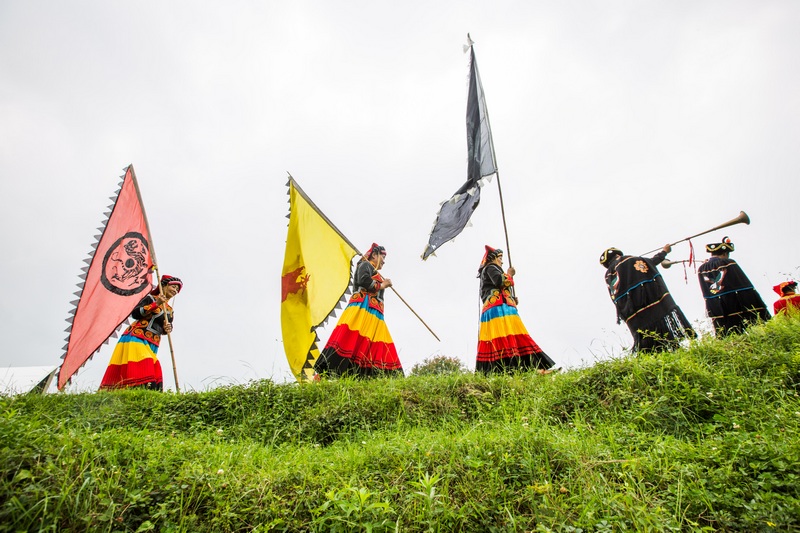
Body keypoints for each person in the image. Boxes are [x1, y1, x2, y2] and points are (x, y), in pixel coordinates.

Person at [314, 243, 404, 378]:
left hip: (374, 313)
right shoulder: (365, 264)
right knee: (352, 339)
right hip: (363, 309)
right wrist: (382, 285)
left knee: (374, 342)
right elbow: (364, 280)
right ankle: (327, 374)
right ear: (374, 255)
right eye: (383, 257)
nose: (384, 261)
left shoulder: (374, 271)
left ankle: (373, 376)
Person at [476, 246, 556, 374]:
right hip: (498, 310)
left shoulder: (492, 269)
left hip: (502, 308)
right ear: (493, 258)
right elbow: (499, 281)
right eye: (500, 258)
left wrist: (511, 298)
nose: (502, 261)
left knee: (514, 338)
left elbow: (500, 288)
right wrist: (509, 274)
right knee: (509, 338)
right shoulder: (490, 267)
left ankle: (531, 368)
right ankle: (525, 368)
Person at [600, 245, 694, 353]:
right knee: (662, 332)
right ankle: (672, 350)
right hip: (649, 304)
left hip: (633, 313)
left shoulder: (608, 276)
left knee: (645, 340)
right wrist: (664, 252)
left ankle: (651, 355)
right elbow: (651, 262)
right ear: (617, 254)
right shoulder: (627, 260)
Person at [99, 275, 183, 391]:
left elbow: (164, 327)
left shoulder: (170, 310)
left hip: (153, 342)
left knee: (152, 365)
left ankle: (146, 393)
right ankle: (137, 389)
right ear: (163, 285)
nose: (175, 291)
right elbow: (135, 313)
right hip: (137, 336)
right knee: (144, 363)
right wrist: (156, 304)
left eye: (177, 290)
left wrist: (167, 328)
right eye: (173, 287)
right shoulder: (150, 298)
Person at [697, 236, 770, 336]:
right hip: (736, 302)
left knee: (727, 332)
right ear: (725, 253)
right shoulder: (728, 262)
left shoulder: (702, 268)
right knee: (755, 326)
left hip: (716, 305)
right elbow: (742, 283)